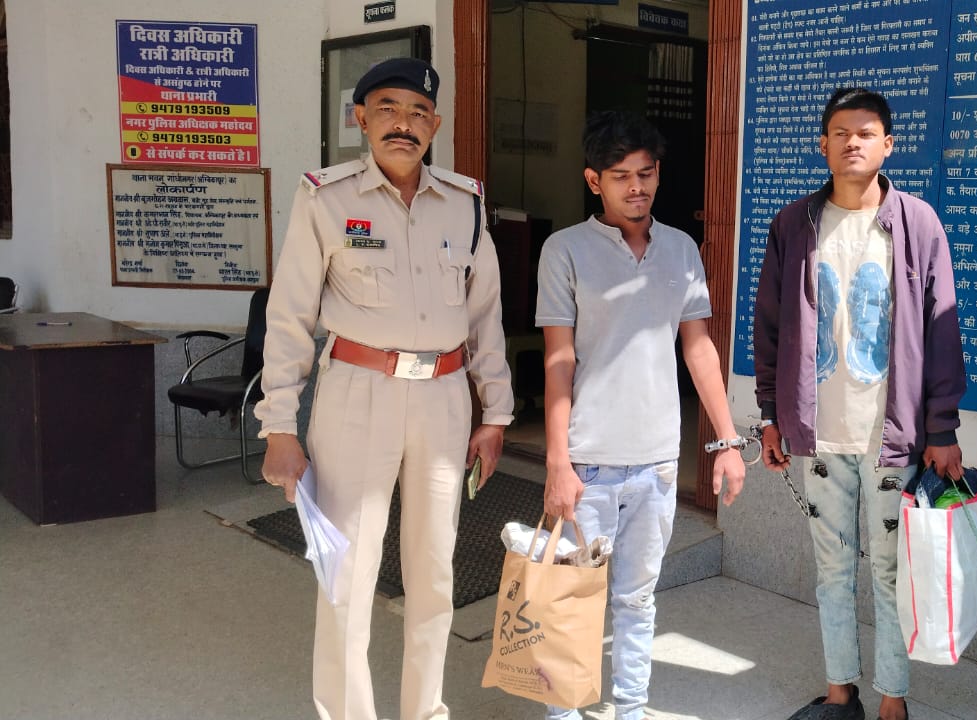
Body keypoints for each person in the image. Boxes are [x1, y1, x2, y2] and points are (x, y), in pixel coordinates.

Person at [255, 58, 513, 720]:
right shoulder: (326, 198)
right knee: (345, 572)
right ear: (361, 119)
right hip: (356, 396)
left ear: (436, 124)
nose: (404, 124)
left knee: (434, 572)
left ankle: (425, 711)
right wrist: (278, 426)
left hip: (444, 398)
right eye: (388, 109)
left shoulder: (466, 203)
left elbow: (485, 316)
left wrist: (496, 414)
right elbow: (289, 317)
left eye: (418, 112)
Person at [753, 87, 966, 720]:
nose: (853, 142)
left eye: (867, 132)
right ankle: (840, 692)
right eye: (841, 132)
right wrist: (770, 415)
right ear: (823, 144)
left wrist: (942, 427)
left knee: (892, 573)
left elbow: (941, 332)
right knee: (832, 569)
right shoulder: (794, 224)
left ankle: (893, 700)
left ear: (888, 145)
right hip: (820, 433)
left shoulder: (916, 223)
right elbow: (769, 328)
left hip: (891, 438)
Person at [536, 111, 747, 720]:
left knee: (637, 600)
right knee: (571, 600)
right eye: (621, 176)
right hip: (587, 463)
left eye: (646, 174)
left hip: (656, 462)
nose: (637, 187)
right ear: (593, 181)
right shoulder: (564, 250)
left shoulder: (681, 249)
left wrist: (727, 441)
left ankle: (630, 709)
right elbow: (558, 360)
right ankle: (563, 713)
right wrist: (557, 463)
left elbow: (699, 349)